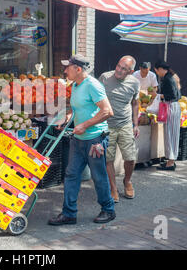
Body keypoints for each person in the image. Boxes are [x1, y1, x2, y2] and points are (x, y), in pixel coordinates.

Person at [48, 54, 116, 226]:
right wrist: (67, 118)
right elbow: (79, 109)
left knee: (98, 176)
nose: (65, 71)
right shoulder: (76, 85)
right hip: (78, 139)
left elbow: (108, 111)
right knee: (71, 175)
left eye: (68, 67)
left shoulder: (93, 85)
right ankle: (69, 214)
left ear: (78, 69)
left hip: (95, 140)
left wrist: (85, 125)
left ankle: (108, 209)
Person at [99, 56, 140, 203]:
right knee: (108, 158)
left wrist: (135, 124)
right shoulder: (104, 77)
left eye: (124, 69)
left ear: (131, 71)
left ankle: (127, 181)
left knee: (130, 157)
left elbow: (135, 103)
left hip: (125, 124)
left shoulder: (135, 83)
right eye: (118, 66)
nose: (119, 70)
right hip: (107, 124)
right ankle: (113, 188)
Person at [153, 60, 182, 171]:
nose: (157, 73)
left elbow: (172, 95)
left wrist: (158, 96)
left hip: (171, 107)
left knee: (171, 135)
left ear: (159, 69)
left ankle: (171, 162)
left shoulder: (168, 79)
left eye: (156, 71)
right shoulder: (170, 77)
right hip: (172, 107)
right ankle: (170, 160)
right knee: (171, 134)